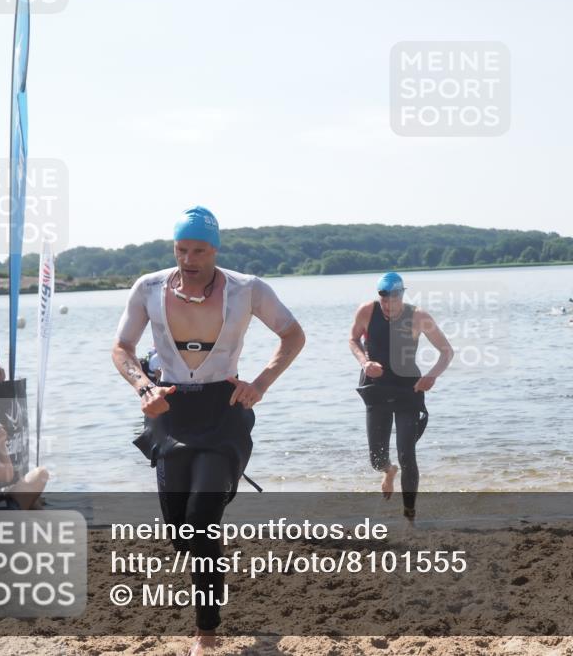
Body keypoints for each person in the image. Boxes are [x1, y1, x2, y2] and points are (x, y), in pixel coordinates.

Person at [112, 206, 306, 655]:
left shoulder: (247, 289)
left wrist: (259, 384)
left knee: (201, 518)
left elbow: (293, 335)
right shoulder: (149, 287)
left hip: (224, 407)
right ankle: (209, 563)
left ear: (215, 250)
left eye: (199, 250)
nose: (189, 259)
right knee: (182, 531)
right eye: (182, 249)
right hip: (170, 408)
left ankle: (206, 633)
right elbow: (122, 347)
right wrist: (143, 386)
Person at [349, 272, 453, 522]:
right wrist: (364, 362)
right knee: (376, 458)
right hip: (376, 388)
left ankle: (409, 516)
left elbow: (446, 351)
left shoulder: (419, 316)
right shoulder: (367, 311)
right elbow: (353, 339)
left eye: (392, 299)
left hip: (408, 389)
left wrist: (432, 375)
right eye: (383, 298)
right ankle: (388, 471)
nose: (387, 304)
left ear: (402, 295)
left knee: (407, 453)